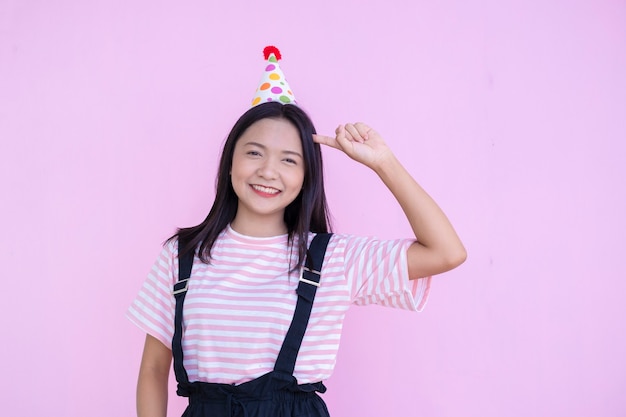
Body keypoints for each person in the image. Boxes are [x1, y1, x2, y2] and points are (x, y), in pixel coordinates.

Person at [127, 47, 466, 417]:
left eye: (289, 160)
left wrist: (383, 162)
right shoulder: (182, 255)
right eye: (254, 153)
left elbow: (446, 252)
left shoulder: (333, 259)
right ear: (230, 162)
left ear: (306, 178)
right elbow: (153, 369)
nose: (268, 171)